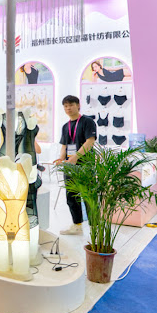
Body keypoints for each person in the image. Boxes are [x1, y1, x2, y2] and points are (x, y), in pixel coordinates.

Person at [54, 95, 97, 235]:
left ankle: (95, 227)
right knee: (71, 196)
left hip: (85, 165)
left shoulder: (87, 122)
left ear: (78, 105)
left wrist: (76, 157)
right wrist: (61, 158)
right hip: (69, 166)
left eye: (71, 105)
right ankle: (77, 225)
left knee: (88, 196)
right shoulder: (65, 126)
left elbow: (90, 142)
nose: (68, 108)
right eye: (65, 106)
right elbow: (64, 146)